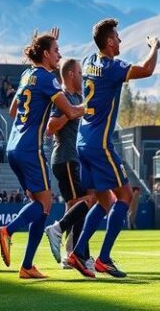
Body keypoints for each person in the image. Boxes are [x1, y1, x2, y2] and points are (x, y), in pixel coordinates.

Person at [66, 18, 160, 279]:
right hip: (100, 143)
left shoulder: (88, 62)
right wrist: (155, 47)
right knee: (125, 196)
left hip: (83, 141)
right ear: (109, 42)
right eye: (117, 38)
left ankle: (78, 251)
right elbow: (147, 69)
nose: (120, 41)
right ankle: (104, 258)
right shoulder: (112, 67)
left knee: (105, 199)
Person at [0, 30, 84, 279]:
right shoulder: (47, 78)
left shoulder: (27, 75)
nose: (60, 54)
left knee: (41, 206)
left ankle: (27, 266)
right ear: (45, 54)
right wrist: (92, 105)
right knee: (44, 204)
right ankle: (8, 231)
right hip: (30, 149)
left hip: (13, 147)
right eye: (56, 50)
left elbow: (13, 110)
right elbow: (70, 111)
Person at [44, 58, 95, 271]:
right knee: (86, 202)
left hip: (73, 159)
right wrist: (72, 111)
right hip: (66, 158)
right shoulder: (64, 97)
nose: (82, 76)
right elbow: (50, 127)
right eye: (80, 72)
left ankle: (72, 254)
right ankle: (77, 250)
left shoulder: (76, 97)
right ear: (71, 75)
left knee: (75, 206)